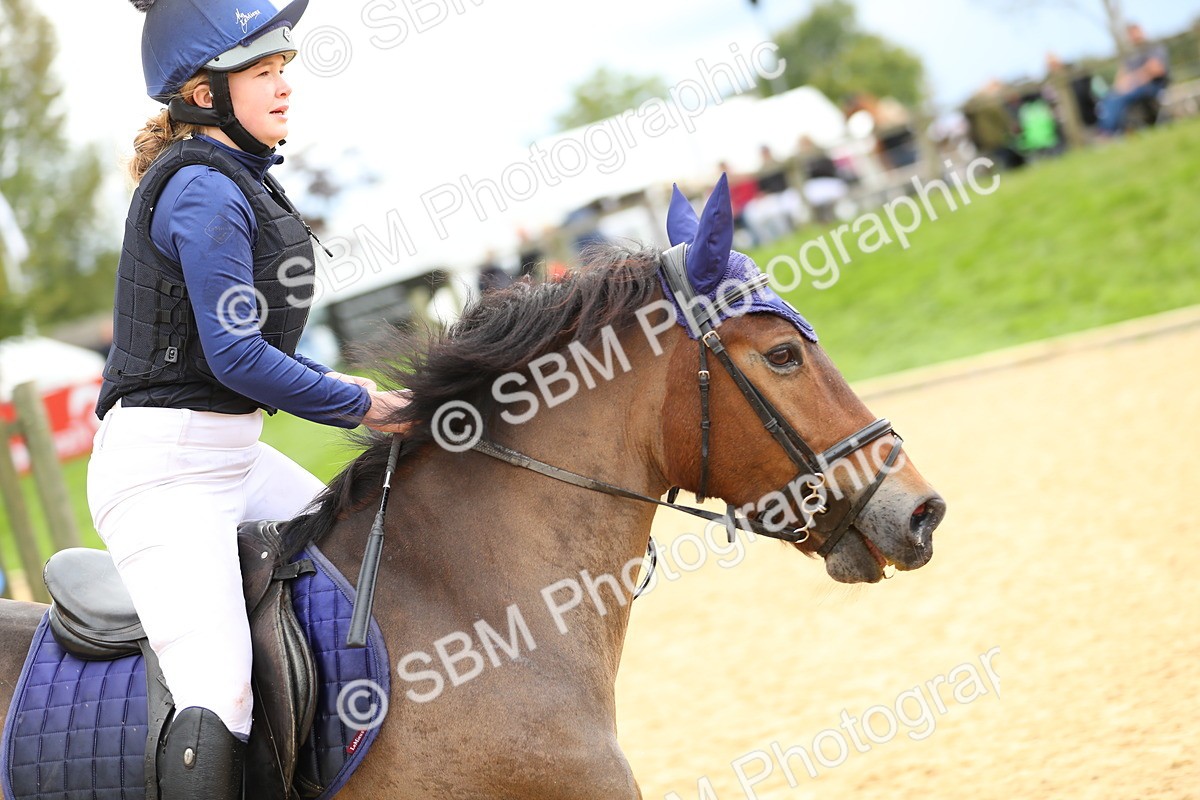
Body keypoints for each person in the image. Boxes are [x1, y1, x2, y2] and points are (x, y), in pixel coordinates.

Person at [88, 2, 409, 798]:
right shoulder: (203, 191)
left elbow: (238, 343)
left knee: (368, 559)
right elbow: (235, 359)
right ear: (203, 95)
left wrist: (351, 387)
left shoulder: (237, 180)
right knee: (219, 690)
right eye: (262, 72)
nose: (284, 87)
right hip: (164, 480)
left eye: (283, 70)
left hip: (233, 461)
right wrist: (354, 405)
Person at [1097, 23, 1170, 134]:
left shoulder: (1153, 47)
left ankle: (1109, 132)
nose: (1133, 36)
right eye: (1130, 34)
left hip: (1152, 86)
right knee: (1109, 97)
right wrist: (1119, 87)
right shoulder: (1130, 54)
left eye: (1134, 32)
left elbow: (1157, 69)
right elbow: (1122, 75)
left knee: (1118, 100)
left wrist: (1134, 79)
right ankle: (1109, 130)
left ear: (1141, 31)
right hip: (1132, 88)